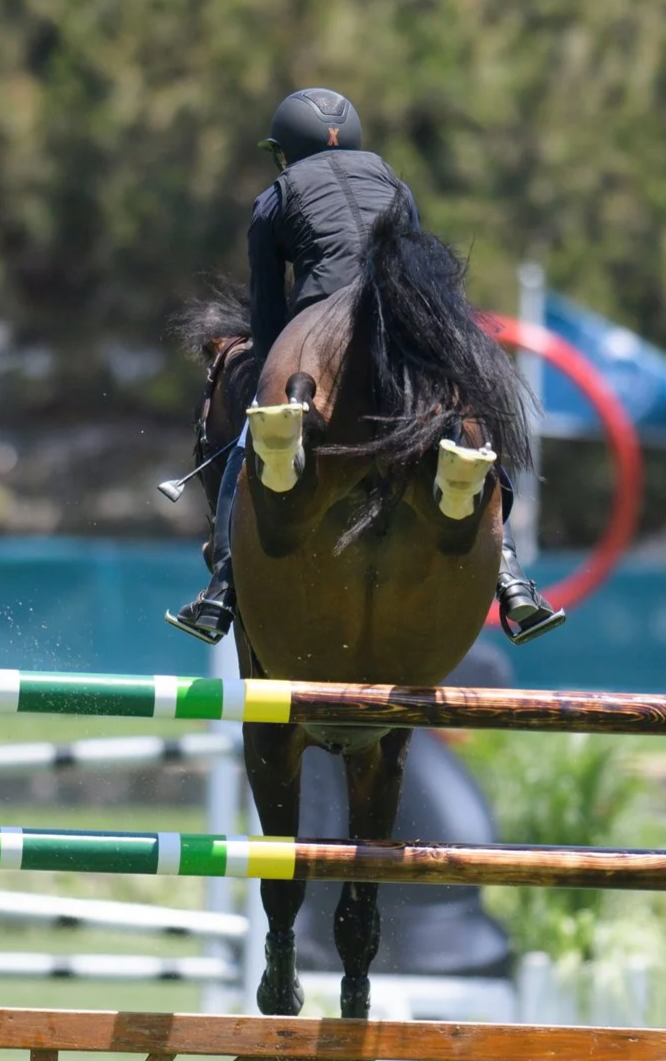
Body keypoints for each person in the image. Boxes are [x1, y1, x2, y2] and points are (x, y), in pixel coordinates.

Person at [167, 88, 563, 646]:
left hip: (317, 316)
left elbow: (267, 312)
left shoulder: (275, 196)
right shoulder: (394, 182)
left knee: (249, 437)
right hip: (404, 322)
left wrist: (273, 375)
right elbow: (418, 277)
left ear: (286, 151)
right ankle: (511, 575)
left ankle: (223, 587)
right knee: (472, 420)